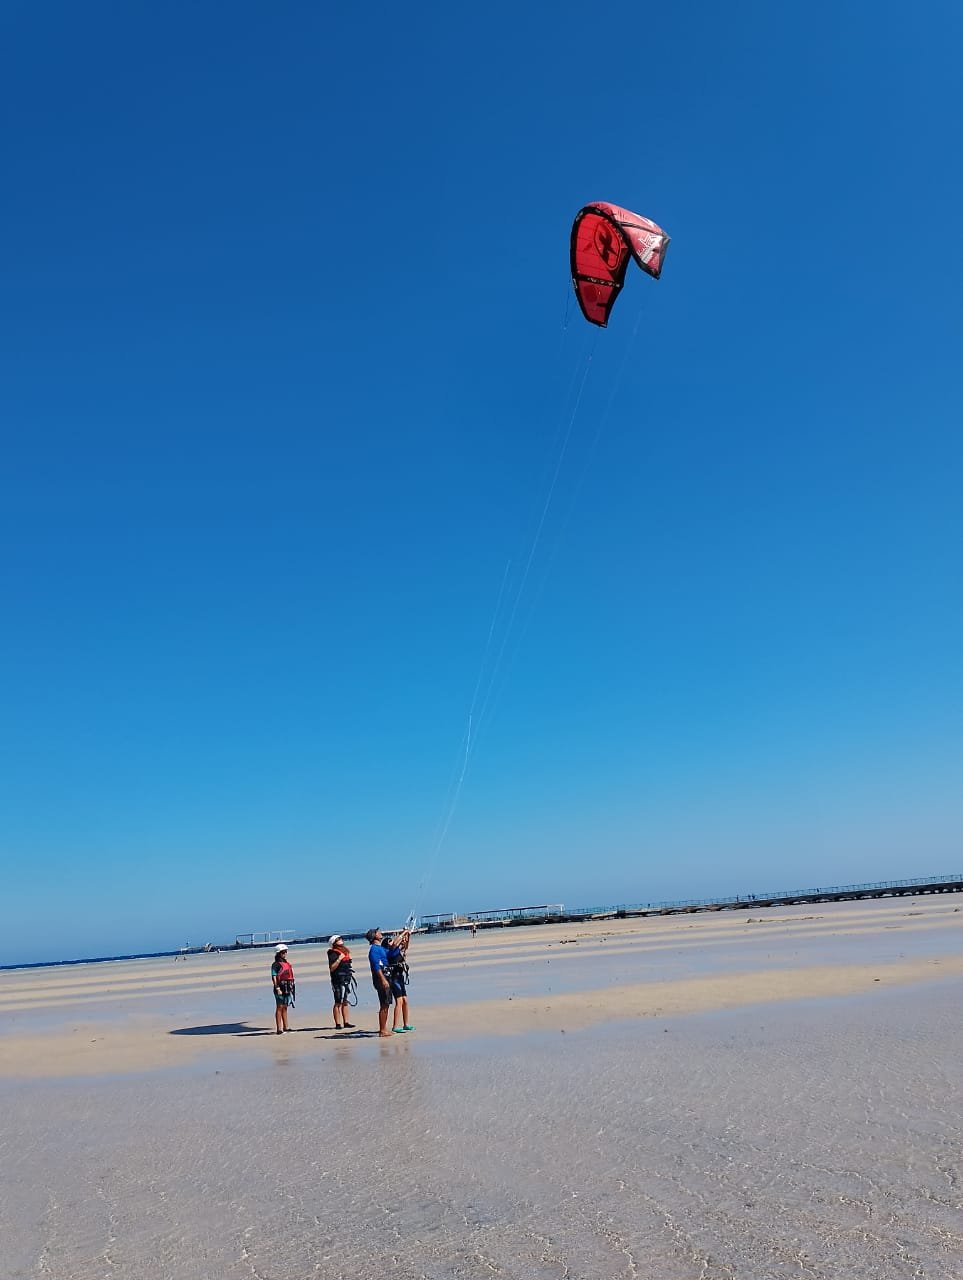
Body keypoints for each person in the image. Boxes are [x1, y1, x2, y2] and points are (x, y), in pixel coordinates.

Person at [386, 928, 414, 1033]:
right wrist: (404, 932)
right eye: (390, 941)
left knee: (405, 1001)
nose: (392, 941)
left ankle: (406, 1024)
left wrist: (408, 935)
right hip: (394, 978)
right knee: (399, 1001)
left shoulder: (397, 951)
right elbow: (395, 944)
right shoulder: (390, 952)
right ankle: (395, 1026)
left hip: (400, 977)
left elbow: (405, 946)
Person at [365, 928, 392, 1037]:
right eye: (377, 932)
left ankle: (384, 1028)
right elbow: (376, 966)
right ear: (374, 936)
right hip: (381, 979)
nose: (380, 932)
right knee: (384, 1004)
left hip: (387, 976)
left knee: (386, 1004)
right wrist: (383, 979)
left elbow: (390, 954)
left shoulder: (380, 948)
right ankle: (382, 1030)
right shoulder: (374, 950)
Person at [327, 934, 356, 1030]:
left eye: (340, 938)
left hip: (346, 978)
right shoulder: (332, 953)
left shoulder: (345, 951)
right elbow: (332, 968)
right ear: (334, 943)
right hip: (337, 980)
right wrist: (339, 958)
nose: (341, 940)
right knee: (338, 1001)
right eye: (338, 939)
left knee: (345, 1001)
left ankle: (346, 1022)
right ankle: (338, 1024)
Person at [271, 943, 295, 1034]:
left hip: (287, 987)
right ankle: (279, 1029)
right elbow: (274, 977)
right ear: (278, 953)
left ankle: (286, 1027)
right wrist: (277, 988)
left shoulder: (286, 963)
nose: (285, 954)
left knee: (285, 1007)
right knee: (279, 1007)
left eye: (285, 952)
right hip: (280, 987)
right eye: (283, 952)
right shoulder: (275, 965)